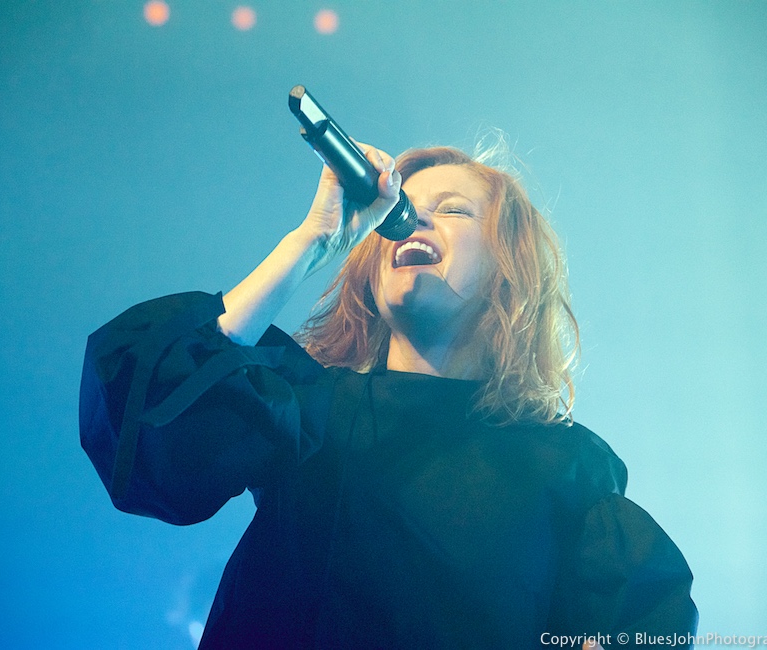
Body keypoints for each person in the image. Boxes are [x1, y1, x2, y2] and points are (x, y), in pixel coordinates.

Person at [80, 142, 698, 649]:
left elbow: (645, 625)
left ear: (509, 267)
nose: (412, 219)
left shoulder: (568, 466)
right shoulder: (311, 410)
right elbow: (153, 410)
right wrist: (312, 241)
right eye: (401, 208)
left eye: (453, 210)